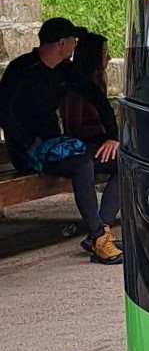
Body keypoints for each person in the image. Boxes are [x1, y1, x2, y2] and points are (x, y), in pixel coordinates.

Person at [0, 17, 122, 264]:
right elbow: (4, 112)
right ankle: (97, 237)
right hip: (28, 151)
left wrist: (112, 137)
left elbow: (97, 98)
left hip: (58, 146)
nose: (76, 45)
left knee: (123, 162)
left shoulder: (66, 70)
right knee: (82, 164)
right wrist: (30, 142)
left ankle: (102, 231)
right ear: (61, 43)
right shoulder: (21, 70)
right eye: (73, 40)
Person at [60, 30, 122, 251]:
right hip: (83, 147)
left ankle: (101, 229)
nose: (109, 58)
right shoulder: (76, 89)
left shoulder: (95, 83)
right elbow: (73, 128)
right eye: (104, 53)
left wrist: (110, 139)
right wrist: (104, 140)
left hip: (98, 145)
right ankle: (99, 232)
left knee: (127, 165)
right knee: (122, 164)